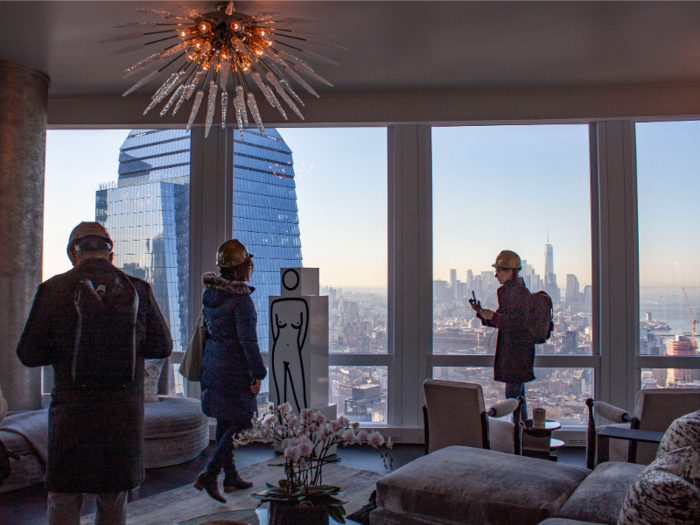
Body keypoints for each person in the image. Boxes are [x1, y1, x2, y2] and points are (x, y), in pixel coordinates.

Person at [16, 222, 173, 525]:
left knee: (64, 496)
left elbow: (28, 354)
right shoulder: (138, 289)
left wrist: (64, 350)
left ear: (73, 253)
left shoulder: (52, 289)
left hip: (72, 415)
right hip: (122, 416)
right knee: (113, 497)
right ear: (110, 253)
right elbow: (163, 347)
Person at [194, 239, 267, 503]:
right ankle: (210, 473)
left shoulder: (210, 294)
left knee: (225, 420)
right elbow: (248, 342)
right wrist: (259, 373)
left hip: (212, 363)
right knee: (242, 420)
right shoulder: (241, 300)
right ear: (242, 267)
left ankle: (231, 475)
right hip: (232, 369)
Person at [469, 250, 535, 419]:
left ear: (510, 272)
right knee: (518, 398)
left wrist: (495, 317)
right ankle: (521, 434)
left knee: (513, 398)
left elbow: (518, 323)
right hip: (518, 352)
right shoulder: (515, 291)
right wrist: (481, 313)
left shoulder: (516, 293)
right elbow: (505, 320)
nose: (495, 274)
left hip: (516, 353)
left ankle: (517, 435)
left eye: (499, 270)